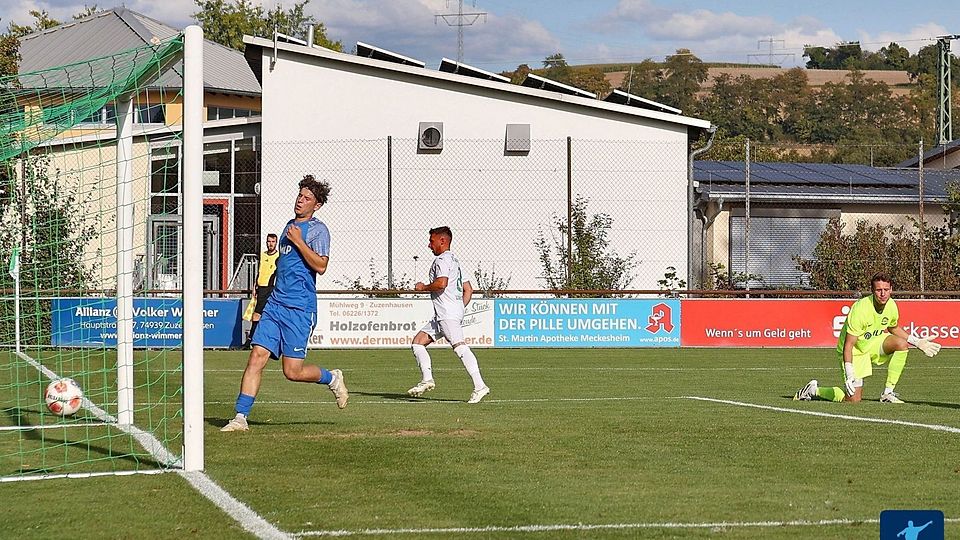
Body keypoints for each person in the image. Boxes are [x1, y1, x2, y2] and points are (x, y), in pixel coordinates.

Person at [222, 175, 348, 432]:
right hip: (276, 304)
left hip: (300, 309)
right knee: (256, 356)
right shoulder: (288, 226)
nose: (300, 201)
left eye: (307, 198)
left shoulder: (317, 230)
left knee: (292, 372)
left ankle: (332, 378)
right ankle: (240, 417)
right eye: (300, 196)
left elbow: (321, 266)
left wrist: (300, 242)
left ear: (317, 205)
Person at [794, 273, 941, 404]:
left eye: (886, 289)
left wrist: (917, 341)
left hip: (873, 343)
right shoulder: (860, 310)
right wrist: (849, 371)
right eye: (878, 290)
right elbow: (848, 345)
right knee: (852, 400)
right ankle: (813, 390)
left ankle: (888, 393)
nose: (883, 294)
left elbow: (893, 327)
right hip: (856, 350)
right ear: (872, 291)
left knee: (901, 344)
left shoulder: (891, 305)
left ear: (891, 290)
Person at [407, 226, 490, 404]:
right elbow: (469, 289)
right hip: (447, 313)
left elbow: (441, 283)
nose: (429, 245)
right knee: (417, 342)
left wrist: (423, 287)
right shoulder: (456, 261)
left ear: (442, 241)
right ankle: (427, 379)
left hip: (447, 314)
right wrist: (459, 307)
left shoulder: (442, 260)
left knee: (460, 347)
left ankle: (480, 386)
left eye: (431, 241)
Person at [243, 233, 279, 348]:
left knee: (260, 315)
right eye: (269, 241)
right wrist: (255, 285)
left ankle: (251, 341)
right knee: (258, 315)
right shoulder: (263, 255)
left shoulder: (279, 256)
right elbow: (260, 271)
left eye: (273, 242)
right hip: (261, 288)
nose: (270, 244)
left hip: (270, 289)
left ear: (276, 243)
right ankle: (254, 340)